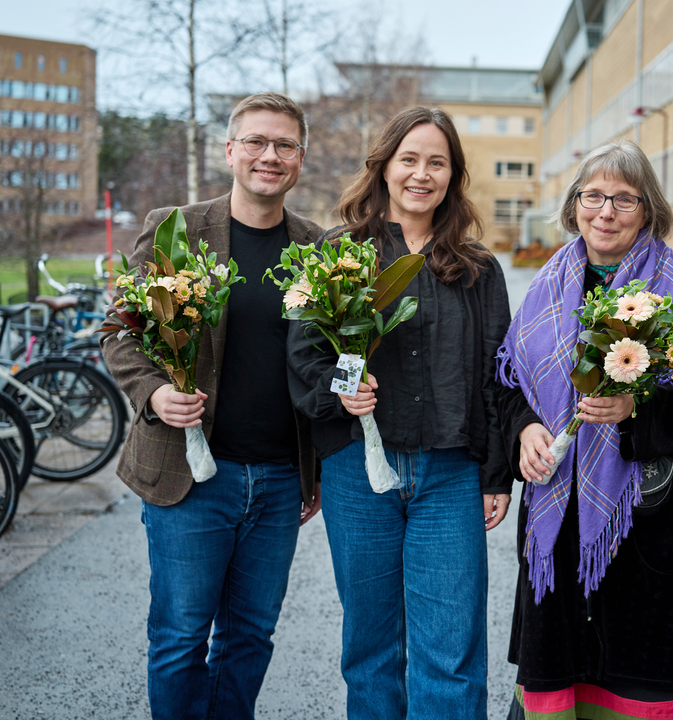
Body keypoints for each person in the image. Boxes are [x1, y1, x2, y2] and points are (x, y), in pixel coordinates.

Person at [100, 92, 322, 720]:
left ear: (300, 158)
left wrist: (319, 467)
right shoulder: (176, 229)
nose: (269, 156)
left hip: (280, 478)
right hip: (190, 475)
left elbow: (319, 359)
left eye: (284, 145)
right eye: (256, 141)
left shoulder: (315, 246)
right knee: (179, 641)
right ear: (229, 150)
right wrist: (154, 392)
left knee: (250, 639)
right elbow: (117, 331)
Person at [286, 106, 511, 720]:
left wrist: (495, 474)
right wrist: (343, 386)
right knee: (371, 647)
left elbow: (499, 373)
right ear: (384, 166)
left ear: (452, 176)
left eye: (436, 162)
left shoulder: (478, 269)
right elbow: (306, 357)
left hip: (449, 476)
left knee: (451, 652)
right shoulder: (338, 255)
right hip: (359, 475)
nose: (421, 173)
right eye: (409, 159)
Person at [496, 139, 673, 720]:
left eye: (623, 199)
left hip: (650, 507)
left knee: (649, 663)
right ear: (575, 204)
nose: (605, 211)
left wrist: (636, 410)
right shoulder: (546, 287)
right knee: (564, 656)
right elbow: (509, 383)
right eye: (592, 196)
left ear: (647, 210)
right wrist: (524, 429)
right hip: (561, 500)